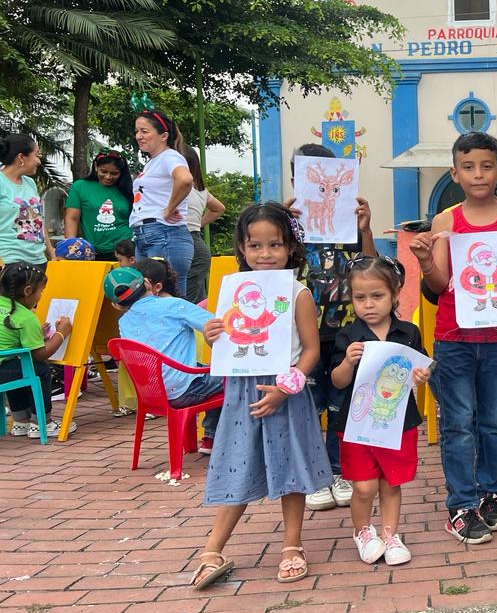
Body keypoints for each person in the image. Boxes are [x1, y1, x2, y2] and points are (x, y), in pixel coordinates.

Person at [188, 202, 331, 590]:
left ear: (290, 247)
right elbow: (225, 341)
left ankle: (292, 545)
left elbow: (311, 351)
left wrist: (286, 388)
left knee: (290, 466)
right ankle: (212, 549)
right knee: (238, 461)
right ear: (242, 248)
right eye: (255, 246)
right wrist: (212, 335)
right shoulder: (232, 293)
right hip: (243, 392)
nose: (265, 254)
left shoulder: (298, 293)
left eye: (274, 245)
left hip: (285, 391)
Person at [421, 131, 497, 544]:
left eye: (486, 166)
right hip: (454, 336)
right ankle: (460, 504)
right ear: (455, 173)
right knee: (458, 423)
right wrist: (425, 261)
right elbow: (439, 284)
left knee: (494, 421)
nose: (478, 174)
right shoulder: (446, 221)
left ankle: (492, 493)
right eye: (469, 167)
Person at [285, 144, 376, 514]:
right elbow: (272, 268)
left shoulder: (350, 222)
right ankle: (314, 475)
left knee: (343, 404)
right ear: (296, 180)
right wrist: (284, 224)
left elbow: (370, 267)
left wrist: (366, 229)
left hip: (345, 333)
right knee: (307, 405)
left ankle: (337, 471)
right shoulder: (287, 225)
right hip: (303, 334)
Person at [330, 256, 431, 565]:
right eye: (360, 297)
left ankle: (390, 534)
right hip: (357, 423)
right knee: (363, 486)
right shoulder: (348, 336)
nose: (369, 304)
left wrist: (422, 375)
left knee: (391, 482)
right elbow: (337, 380)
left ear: (395, 294)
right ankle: (362, 531)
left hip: (397, 422)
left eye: (377, 296)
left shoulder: (408, 332)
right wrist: (347, 362)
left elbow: (423, 366)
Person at [108, 259, 223, 452]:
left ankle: (209, 438)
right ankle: (212, 437)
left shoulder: (124, 322)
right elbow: (216, 324)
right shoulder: (174, 305)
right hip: (184, 390)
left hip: (151, 395)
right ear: (147, 283)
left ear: (116, 304)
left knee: (206, 370)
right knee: (230, 375)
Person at [0, 262, 71, 438]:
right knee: (40, 369)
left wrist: (36, 333)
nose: (41, 296)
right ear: (28, 291)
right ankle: (42, 422)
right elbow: (41, 354)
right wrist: (61, 333)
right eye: (41, 291)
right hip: (3, 369)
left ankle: (21, 421)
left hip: (4, 365)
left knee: (16, 366)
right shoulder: (26, 317)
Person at [131, 107, 195, 299]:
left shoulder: (170, 156)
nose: (139, 136)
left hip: (164, 233)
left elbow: (185, 179)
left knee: (168, 297)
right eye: (137, 131)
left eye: (145, 131)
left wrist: (170, 208)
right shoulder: (153, 162)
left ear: (164, 136)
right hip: (147, 234)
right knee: (149, 297)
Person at [62, 150, 134, 259]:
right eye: (103, 171)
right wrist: (71, 248)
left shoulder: (128, 190)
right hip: (93, 251)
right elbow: (72, 218)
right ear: (96, 167)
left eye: (114, 173)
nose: (108, 177)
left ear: (121, 173)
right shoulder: (80, 187)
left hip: (125, 252)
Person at [0, 134, 54, 269]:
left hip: (38, 260)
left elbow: (39, 220)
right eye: (36, 155)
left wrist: (51, 252)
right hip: (9, 261)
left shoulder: (30, 183)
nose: (39, 161)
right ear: (21, 157)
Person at [181, 147, 225, 305]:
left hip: (185, 240)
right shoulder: (201, 190)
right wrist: (198, 224)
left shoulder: (180, 188)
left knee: (187, 295)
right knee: (196, 291)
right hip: (195, 240)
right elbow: (219, 208)